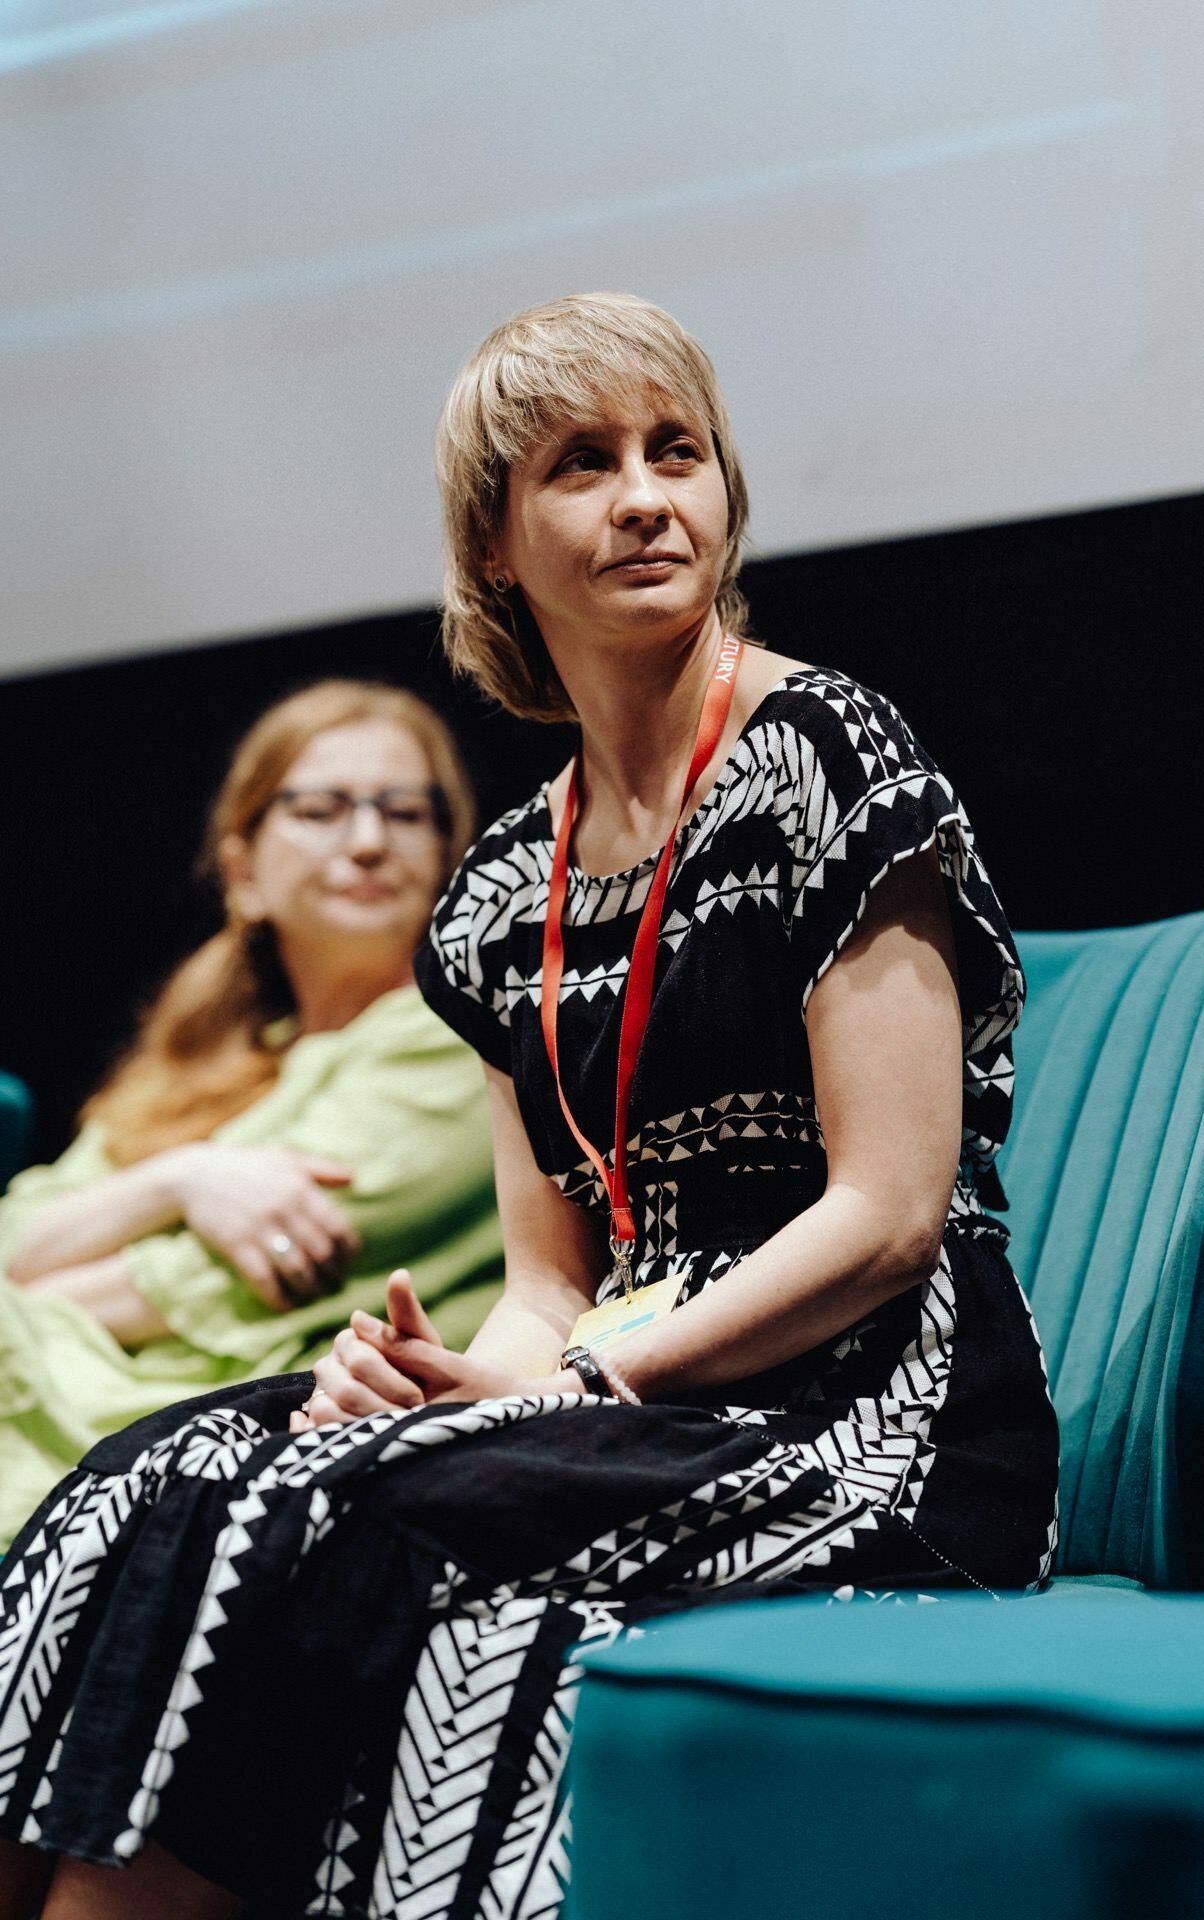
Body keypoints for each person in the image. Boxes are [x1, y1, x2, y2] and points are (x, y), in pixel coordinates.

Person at [0, 295, 1058, 1920]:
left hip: (872, 1420)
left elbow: (886, 1216)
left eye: (676, 452)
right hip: (613, 1400)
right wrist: (439, 1379)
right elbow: (548, 1280)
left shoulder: (826, 755)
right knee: (141, 1485)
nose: (646, 497)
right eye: (583, 463)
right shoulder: (502, 890)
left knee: (317, 1529)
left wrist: (570, 1381)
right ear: (497, 542)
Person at [0, 679, 501, 1546]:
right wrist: (182, 1178)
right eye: (321, 808)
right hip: (70, 1414)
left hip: (235, 1444)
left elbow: (228, 1278)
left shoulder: (456, 1036)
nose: (370, 841)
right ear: (244, 873)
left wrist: (50, 1276)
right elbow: (17, 1232)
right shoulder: (194, 1066)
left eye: (406, 812)